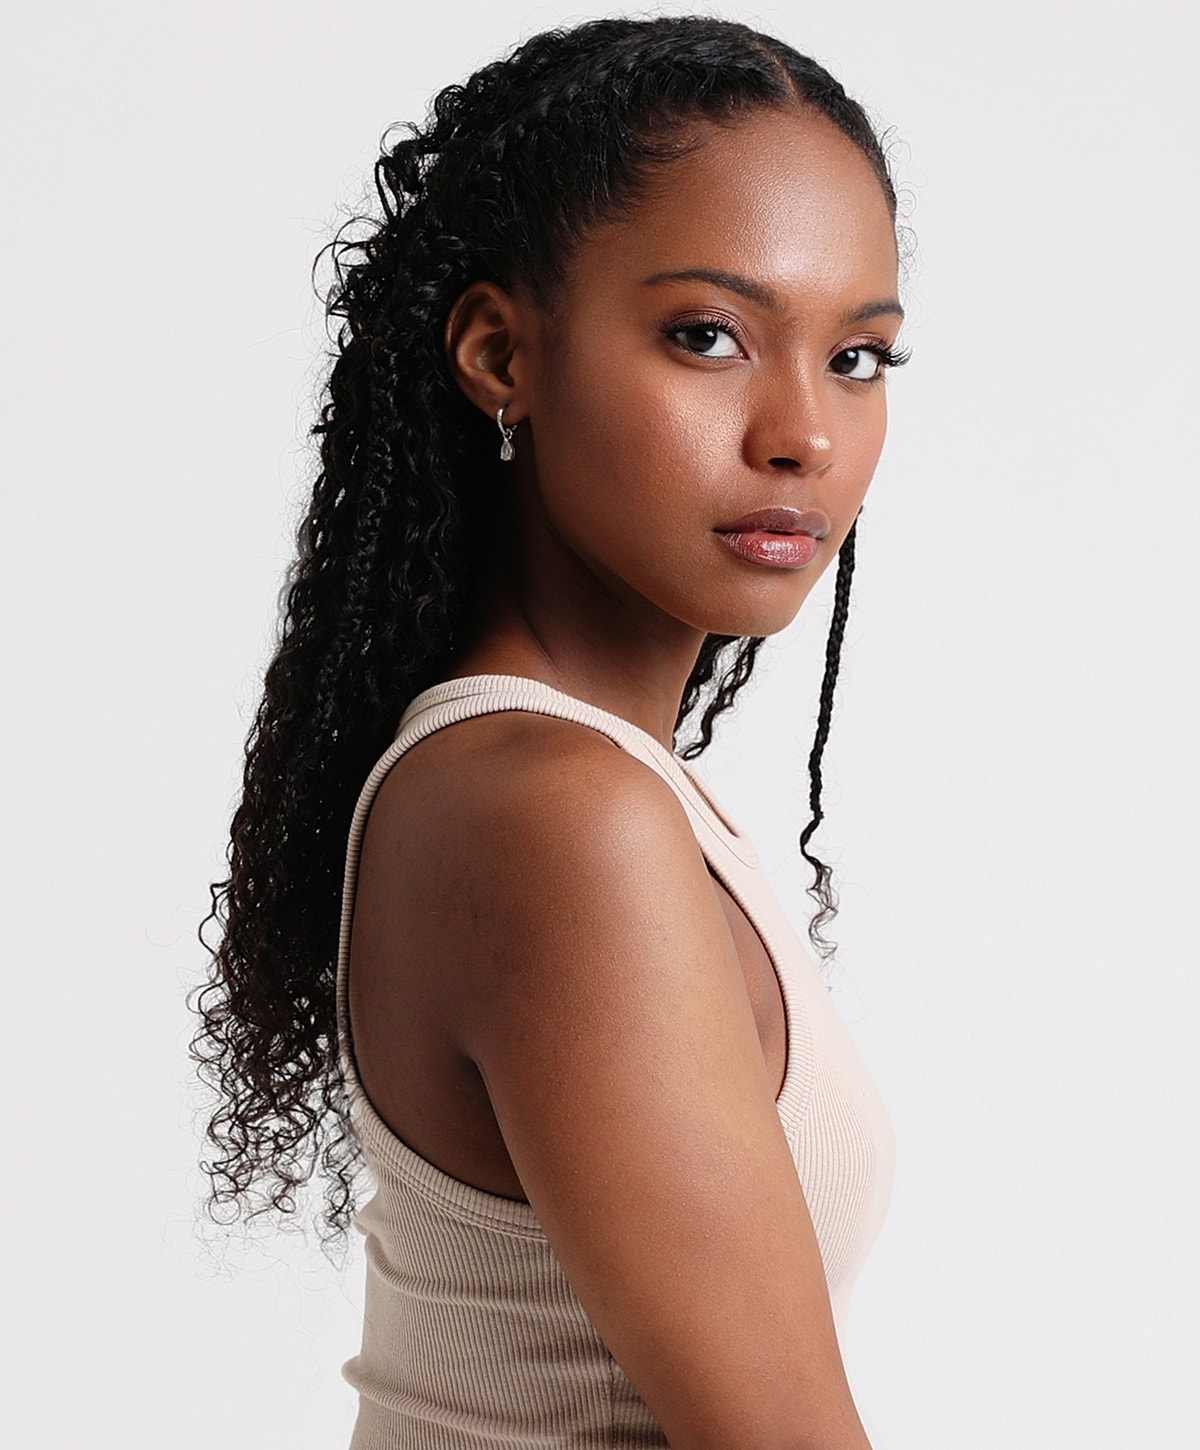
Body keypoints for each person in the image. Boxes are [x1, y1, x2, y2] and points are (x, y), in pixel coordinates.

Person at [193, 15, 909, 1448]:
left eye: (858, 356)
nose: (804, 433)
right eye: (707, 336)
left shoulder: (574, 780)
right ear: (499, 353)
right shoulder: (559, 813)